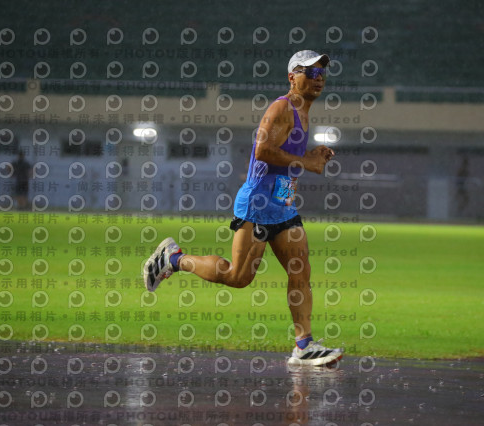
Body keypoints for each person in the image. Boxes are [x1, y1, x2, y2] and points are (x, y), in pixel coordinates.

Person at [144, 50, 343, 366]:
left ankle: (304, 345)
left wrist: (309, 156)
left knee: (301, 272)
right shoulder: (282, 108)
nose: (318, 79)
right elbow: (263, 151)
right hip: (258, 204)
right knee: (237, 277)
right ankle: (174, 259)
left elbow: (282, 156)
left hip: (282, 206)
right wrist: (306, 162)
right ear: (292, 77)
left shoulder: (303, 112)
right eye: (310, 72)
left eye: (322, 73)